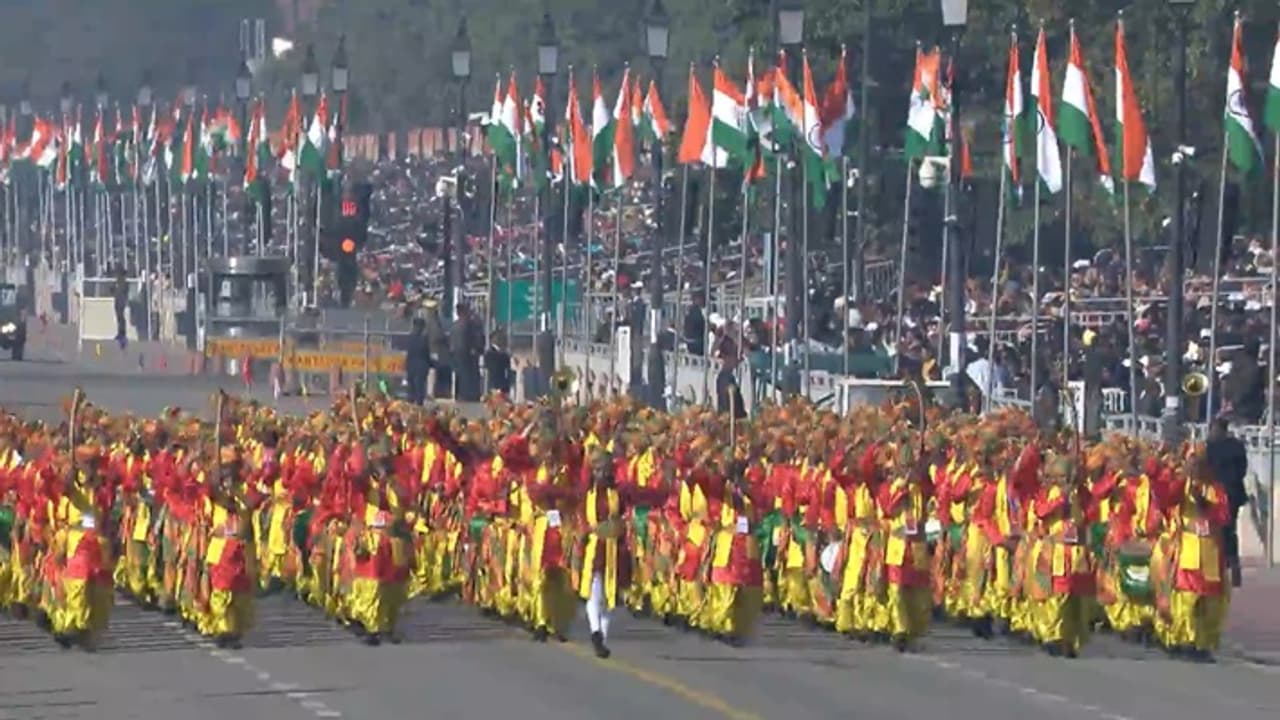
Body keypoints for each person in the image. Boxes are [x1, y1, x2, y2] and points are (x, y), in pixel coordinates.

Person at [1205, 417, 1249, 587]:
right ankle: (1233, 566)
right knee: (1230, 530)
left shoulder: (1210, 448)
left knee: (1217, 531)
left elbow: (1206, 471)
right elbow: (1242, 470)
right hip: (1234, 494)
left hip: (1216, 494)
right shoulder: (1237, 446)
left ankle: (1221, 566)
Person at [405, 317, 432, 405]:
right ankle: (419, 407)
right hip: (421, 366)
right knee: (419, 389)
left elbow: (408, 353)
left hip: (411, 365)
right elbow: (426, 353)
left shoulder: (410, 338)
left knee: (411, 389)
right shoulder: (424, 339)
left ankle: (410, 405)